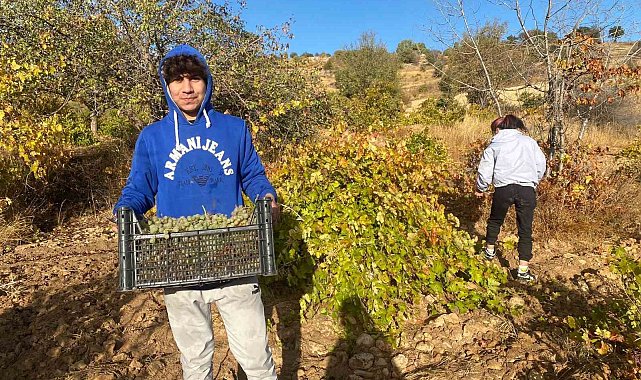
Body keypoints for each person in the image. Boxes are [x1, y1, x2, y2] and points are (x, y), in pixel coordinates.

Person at [113, 44, 279, 380]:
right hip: (178, 263)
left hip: (235, 256)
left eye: (194, 78)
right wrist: (125, 210)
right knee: (196, 360)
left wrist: (267, 199)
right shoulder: (153, 138)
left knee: (256, 358)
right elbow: (139, 189)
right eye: (177, 80)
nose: (187, 88)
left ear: (207, 81)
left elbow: (253, 176)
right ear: (166, 85)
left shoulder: (234, 129)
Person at [475, 115, 546, 282]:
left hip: (503, 188)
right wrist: (532, 181)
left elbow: (485, 171)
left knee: (495, 220)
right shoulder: (529, 142)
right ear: (517, 126)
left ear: (499, 129)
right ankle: (523, 270)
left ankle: (489, 252)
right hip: (526, 189)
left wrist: (481, 188)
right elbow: (541, 165)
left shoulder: (495, 144)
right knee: (525, 230)